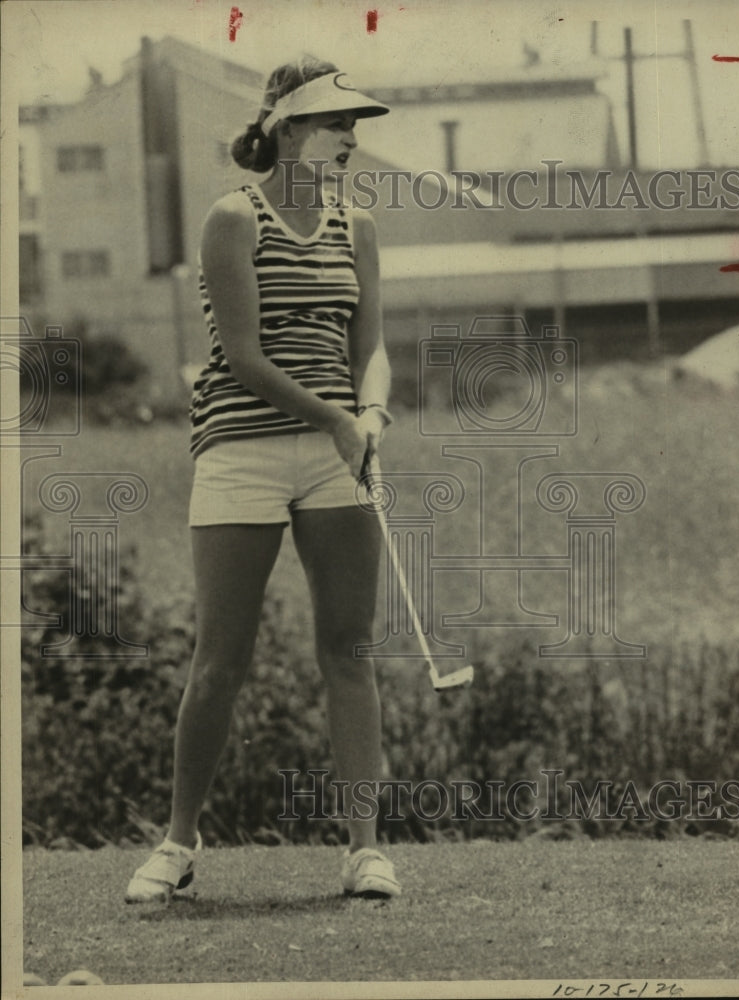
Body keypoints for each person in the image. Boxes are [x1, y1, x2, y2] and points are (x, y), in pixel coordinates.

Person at [125, 58, 400, 901]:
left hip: (337, 453)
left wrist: (373, 415)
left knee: (348, 652)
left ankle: (364, 851)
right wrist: (332, 416)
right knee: (220, 660)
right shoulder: (230, 218)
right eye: (334, 125)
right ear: (287, 131)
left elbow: (371, 350)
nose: (350, 140)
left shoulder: (357, 227)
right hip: (241, 448)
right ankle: (177, 844)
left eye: (353, 126)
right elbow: (241, 356)